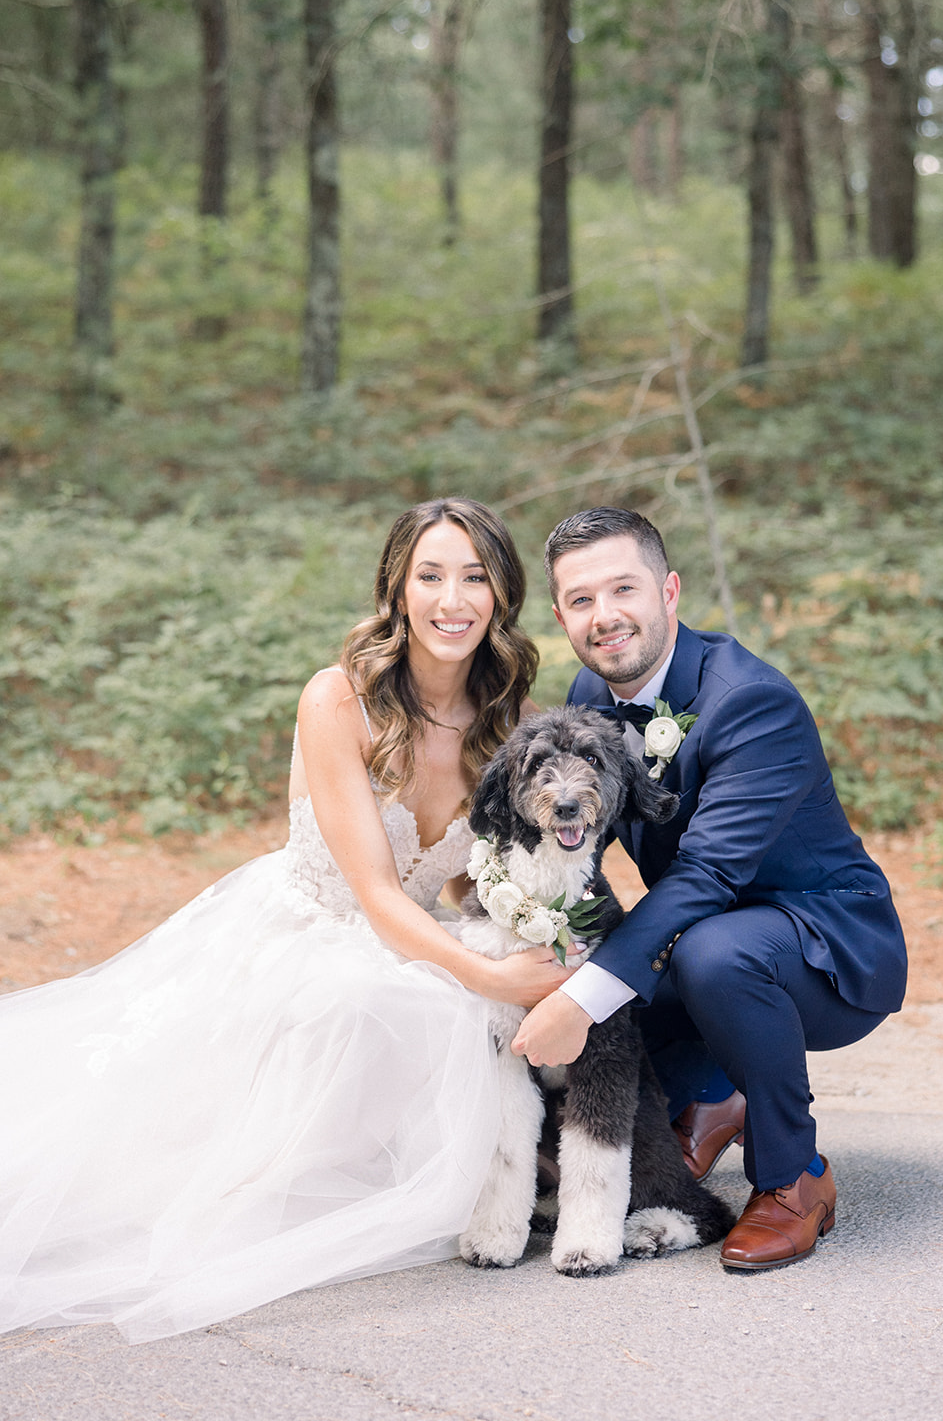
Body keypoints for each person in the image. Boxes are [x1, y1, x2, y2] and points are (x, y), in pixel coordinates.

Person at [0, 499, 570, 1343]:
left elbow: (458, 884)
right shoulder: (338, 698)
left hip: (409, 942)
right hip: (309, 935)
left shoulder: (513, 723)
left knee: (460, 1009)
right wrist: (489, 974)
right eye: (431, 575)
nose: (453, 599)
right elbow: (376, 892)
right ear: (397, 588)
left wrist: (525, 936)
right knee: (385, 1002)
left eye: (475, 578)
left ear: (502, 596)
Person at [513, 506, 908, 1272]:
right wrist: (557, 952)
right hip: (693, 941)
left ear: (667, 591)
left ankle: (795, 1178)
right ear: (561, 615)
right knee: (616, 1000)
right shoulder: (590, 696)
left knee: (701, 955)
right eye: (582, 601)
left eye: (622, 589)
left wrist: (582, 994)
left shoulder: (750, 702)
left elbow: (705, 875)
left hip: (825, 949)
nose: (605, 616)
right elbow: (581, 850)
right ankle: (712, 1095)